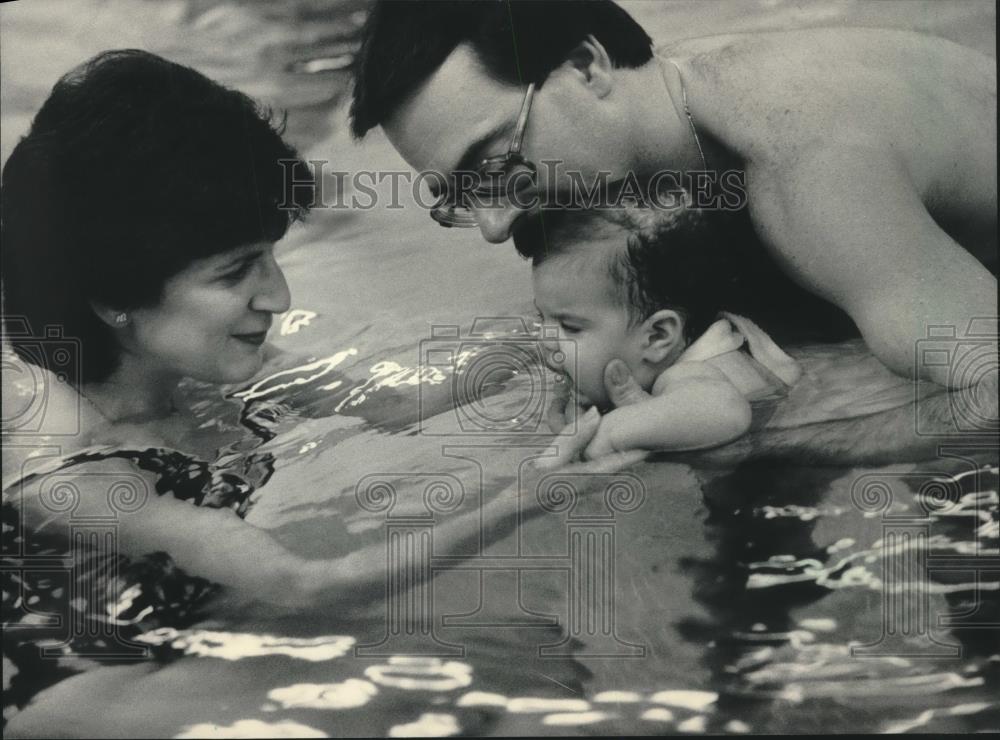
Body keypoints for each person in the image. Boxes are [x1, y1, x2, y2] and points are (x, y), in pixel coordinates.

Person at [1, 49, 632, 715]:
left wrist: (557, 339)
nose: (277, 295)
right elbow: (305, 585)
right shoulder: (76, 477)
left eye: (271, 256)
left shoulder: (188, 370)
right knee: (502, 694)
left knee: (534, 652)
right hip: (74, 690)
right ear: (111, 297)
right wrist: (528, 495)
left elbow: (388, 403)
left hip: (175, 620)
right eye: (235, 272)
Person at [349, 0, 998, 446]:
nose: (494, 226)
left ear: (585, 67)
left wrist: (742, 450)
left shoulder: (805, 165)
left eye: (492, 165)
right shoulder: (675, 111)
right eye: (458, 195)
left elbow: (991, 400)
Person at [525, 208, 802, 459]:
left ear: (658, 336)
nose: (545, 341)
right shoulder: (695, 336)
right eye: (541, 317)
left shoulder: (690, 373)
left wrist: (606, 434)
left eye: (570, 327)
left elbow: (728, 411)